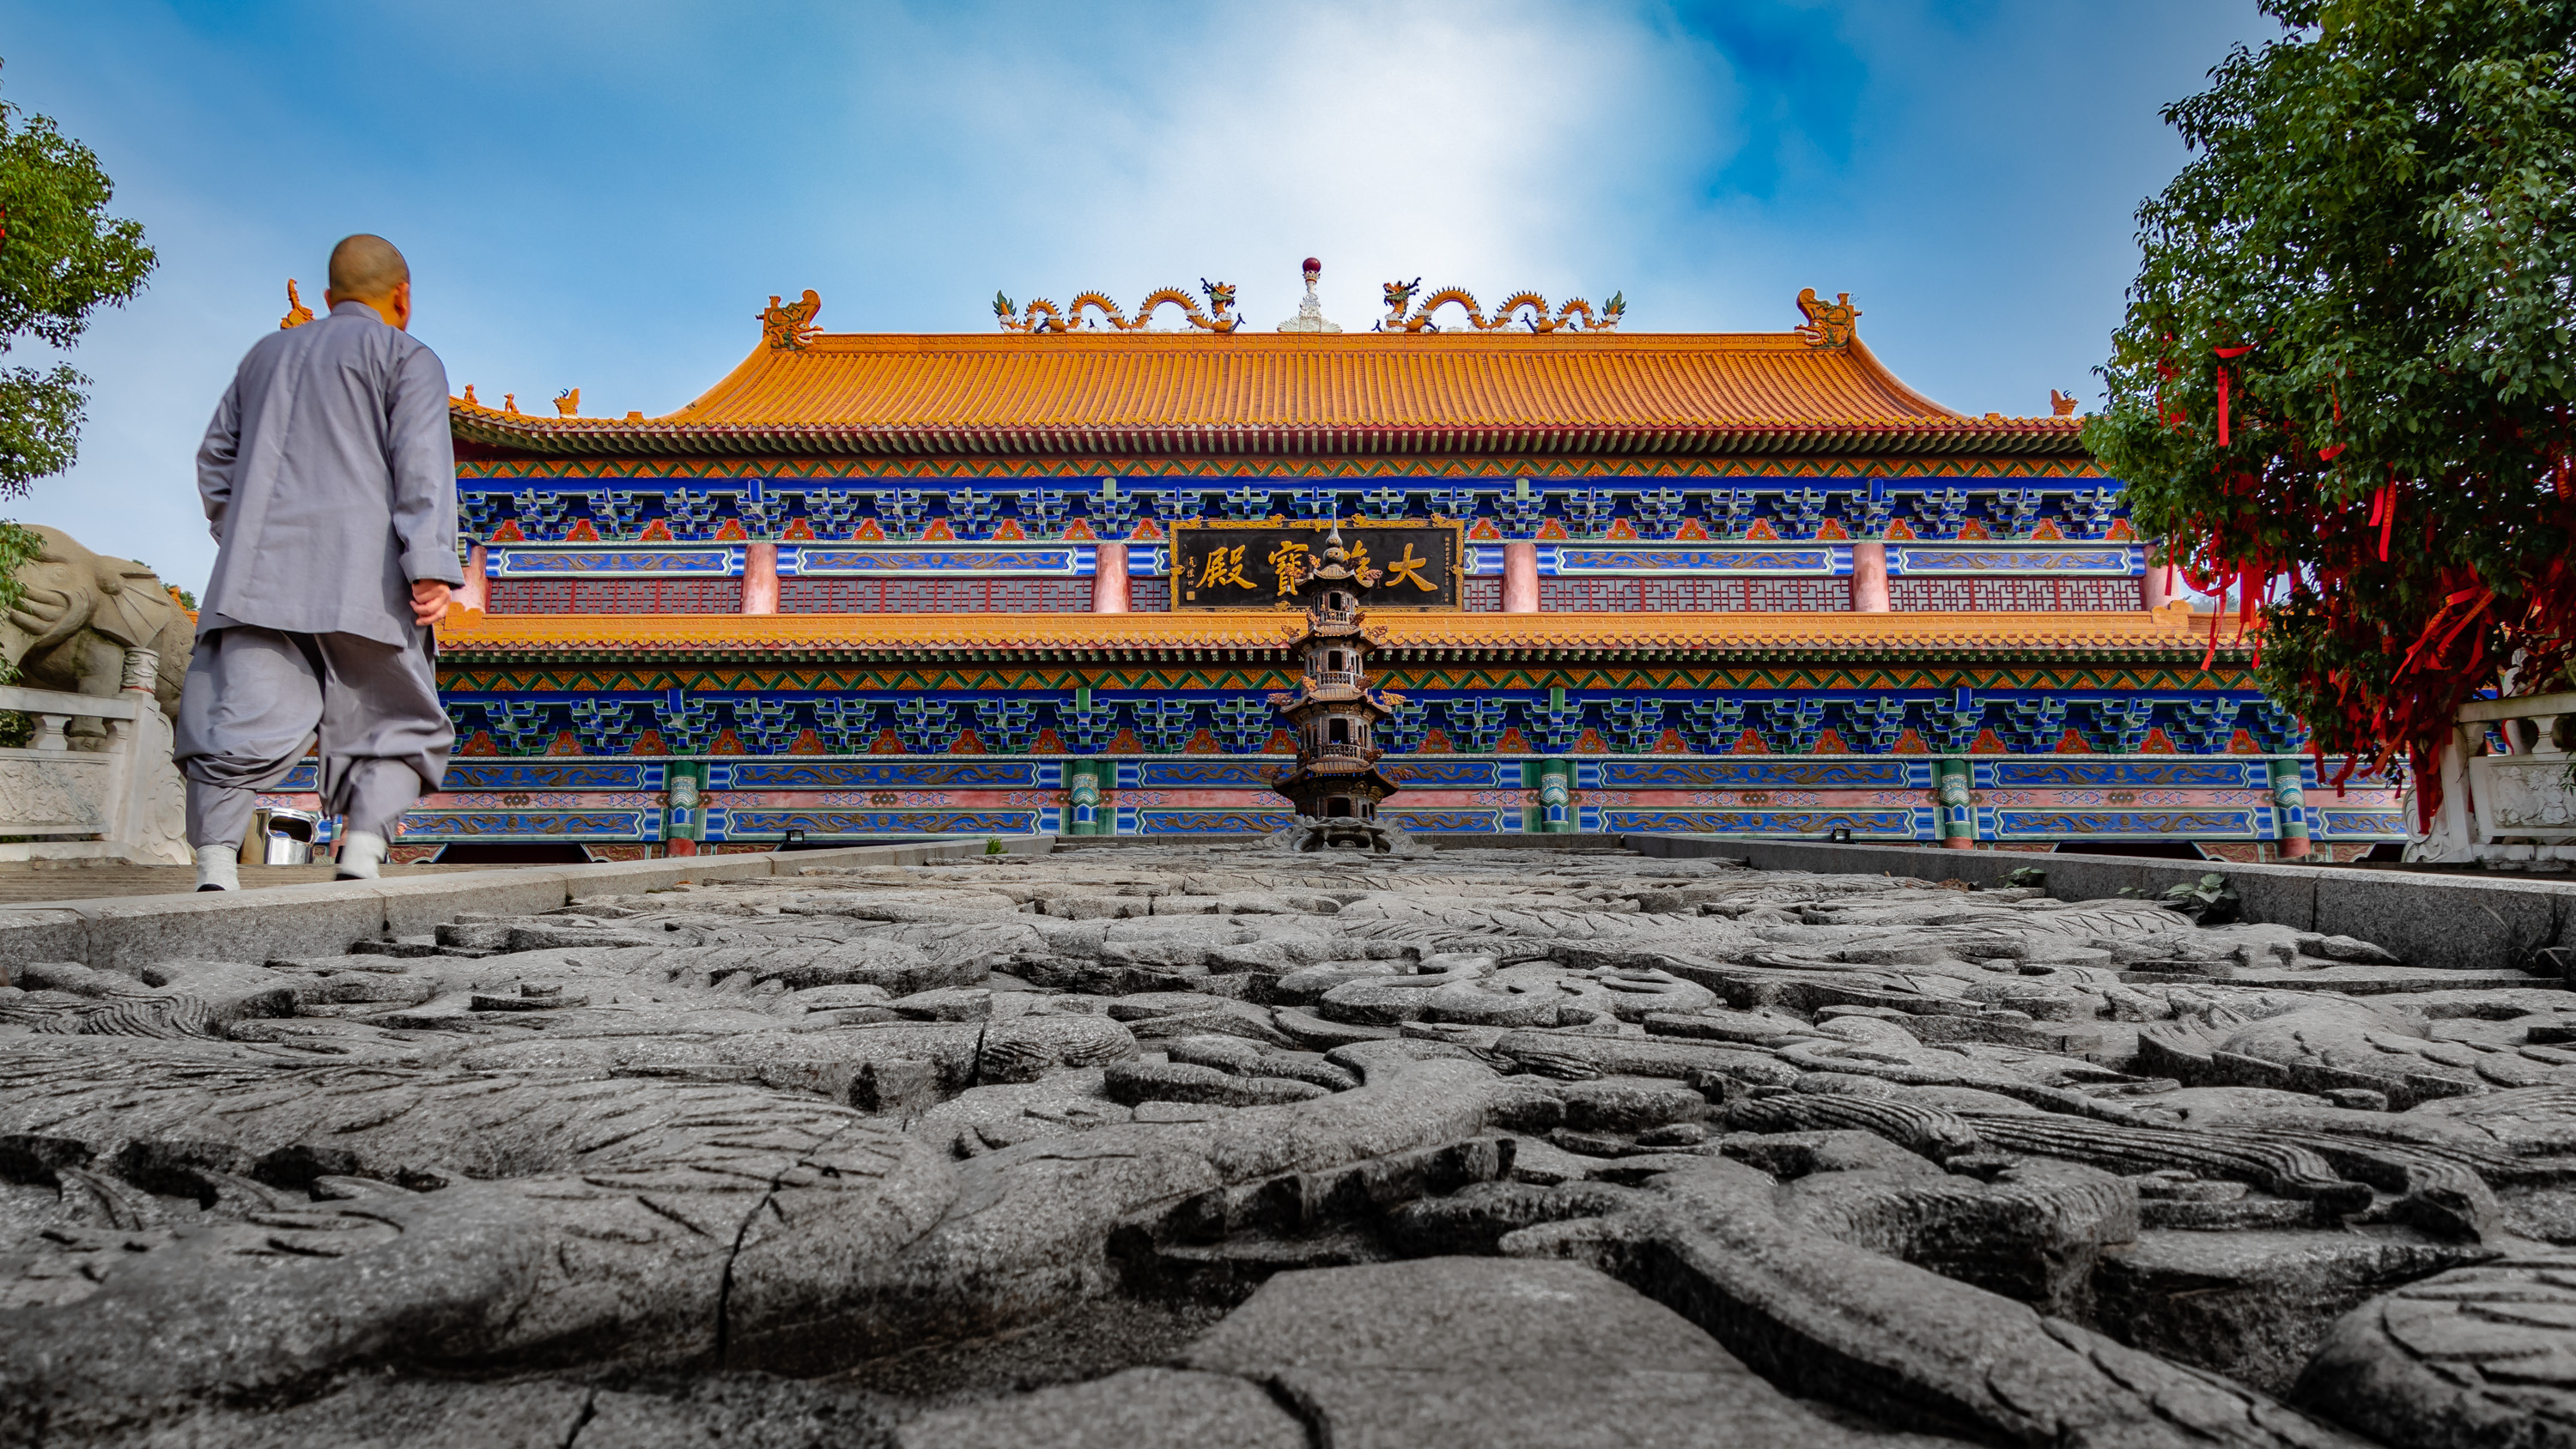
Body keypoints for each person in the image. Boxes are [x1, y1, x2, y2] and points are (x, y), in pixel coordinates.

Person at [177, 233, 461, 889]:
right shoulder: (407, 356)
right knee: (389, 717)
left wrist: (241, 531)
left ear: (329, 298)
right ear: (403, 296)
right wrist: (429, 563)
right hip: (366, 580)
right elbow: (422, 464)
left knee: (238, 714)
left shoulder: (264, 356)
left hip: (256, 577)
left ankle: (216, 862)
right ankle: (361, 848)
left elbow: (215, 461)